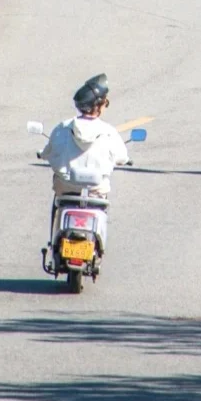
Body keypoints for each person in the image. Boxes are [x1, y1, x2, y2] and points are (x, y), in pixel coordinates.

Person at [40, 74, 130, 262]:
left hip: (66, 190)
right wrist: (123, 160)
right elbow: (122, 156)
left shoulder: (62, 128)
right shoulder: (108, 132)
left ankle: (55, 241)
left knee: (57, 202)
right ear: (98, 106)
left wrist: (43, 153)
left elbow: (48, 151)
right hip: (96, 193)